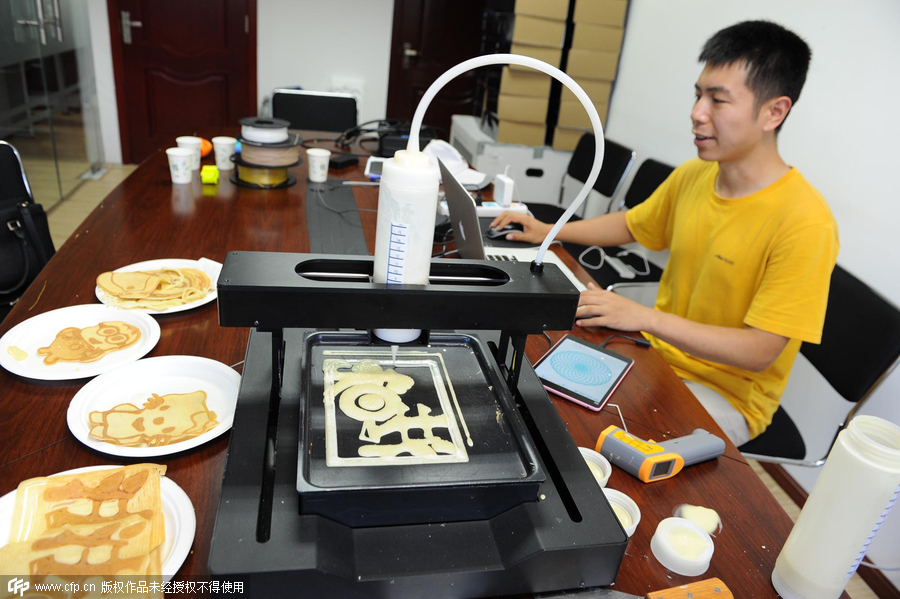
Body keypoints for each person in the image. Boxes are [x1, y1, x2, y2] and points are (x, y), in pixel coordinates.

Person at [490, 20, 839, 446]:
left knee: (581, 435)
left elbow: (760, 350)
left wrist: (645, 317)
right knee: (531, 388)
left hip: (725, 394)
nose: (697, 112)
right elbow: (632, 224)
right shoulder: (695, 175)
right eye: (698, 94)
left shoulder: (805, 222)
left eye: (718, 100)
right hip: (654, 352)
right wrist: (548, 230)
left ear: (774, 112)